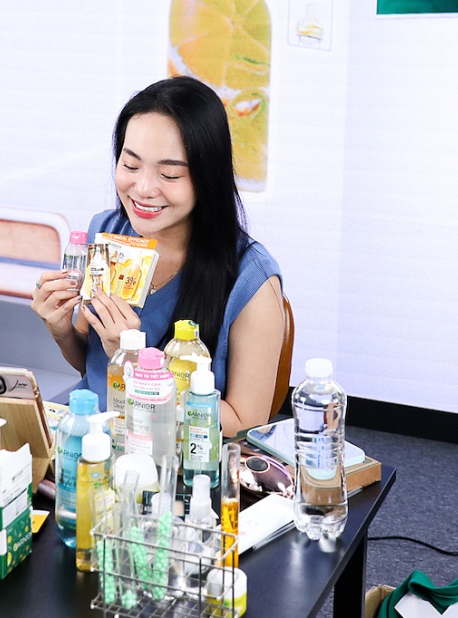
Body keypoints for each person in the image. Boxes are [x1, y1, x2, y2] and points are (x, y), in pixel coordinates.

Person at [31, 76, 284, 435]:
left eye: (169, 174)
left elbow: (246, 424)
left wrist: (138, 365)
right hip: (91, 441)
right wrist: (61, 332)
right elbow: (93, 366)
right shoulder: (106, 232)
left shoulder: (251, 280)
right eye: (130, 166)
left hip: (176, 458)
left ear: (208, 177)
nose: (144, 188)